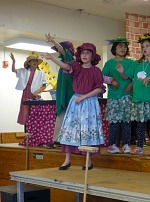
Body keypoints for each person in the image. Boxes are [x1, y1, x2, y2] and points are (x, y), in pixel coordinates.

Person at [42, 42, 104, 170]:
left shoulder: (96, 71)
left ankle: (88, 160)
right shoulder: (77, 68)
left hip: (89, 103)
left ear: (93, 56)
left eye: (88, 53)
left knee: (87, 130)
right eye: (82, 53)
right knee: (71, 130)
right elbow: (65, 65)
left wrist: (84, 96)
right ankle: (67, 160)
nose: (85, 55)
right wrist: (53, 58)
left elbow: (99, 89)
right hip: (76, 102)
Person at [102, 37, 133, 154]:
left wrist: (128, 81)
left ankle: (126, 145)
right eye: (120, 46)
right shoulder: (109, 63)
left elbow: (132, 78)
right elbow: (102, 76)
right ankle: (112, 145)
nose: (123, 48)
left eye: (125, 46)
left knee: (126, 122)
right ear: (114, 48)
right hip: (114, 97)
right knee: (114, 122)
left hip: (126, 96)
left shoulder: (131, 63)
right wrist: (111, 80)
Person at [121, 33, 150, 154]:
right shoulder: (137, 64)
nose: (144, 48)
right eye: (143, 46)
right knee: (140, 124)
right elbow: (126, 76)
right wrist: (122, 72)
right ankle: (139, 146)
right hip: (138, 98)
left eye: (147, 46)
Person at [45, 33, 75, 147]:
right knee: (60, 117)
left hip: (70, 96)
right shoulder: (62, 63)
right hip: (62, 95)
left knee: (67, 118)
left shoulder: (70, 61)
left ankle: (65, 141)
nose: (59, 52)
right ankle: (57, 141)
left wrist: (53, 41)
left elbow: (62, 51)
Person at [10, 53, 47, 126]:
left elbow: (44, 85)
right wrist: (14, 62)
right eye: (33, 61)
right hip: (26, 92)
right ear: (29, 63)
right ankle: (27, 128)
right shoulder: (24, 71)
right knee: (25, 110)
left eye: (35, 61)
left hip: (35, 94)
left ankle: (35, 127)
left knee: (35, 111)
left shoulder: (41, 74)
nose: (35, 62)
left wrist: (38, 91)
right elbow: (13, 70)